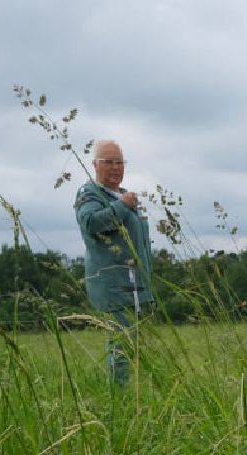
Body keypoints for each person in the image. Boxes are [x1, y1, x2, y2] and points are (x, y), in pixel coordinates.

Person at [74, 140, 154, 385]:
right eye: (109, 162)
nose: (116, 167)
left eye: (120, 162)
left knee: (135, 345)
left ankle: (133, 396)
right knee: (121, 345)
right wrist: (122, 206)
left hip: (136, 286)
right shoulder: (89, 194)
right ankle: (119, 397)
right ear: (95, 165)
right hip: (115, 284)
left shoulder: (122, 195)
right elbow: (91, 223)